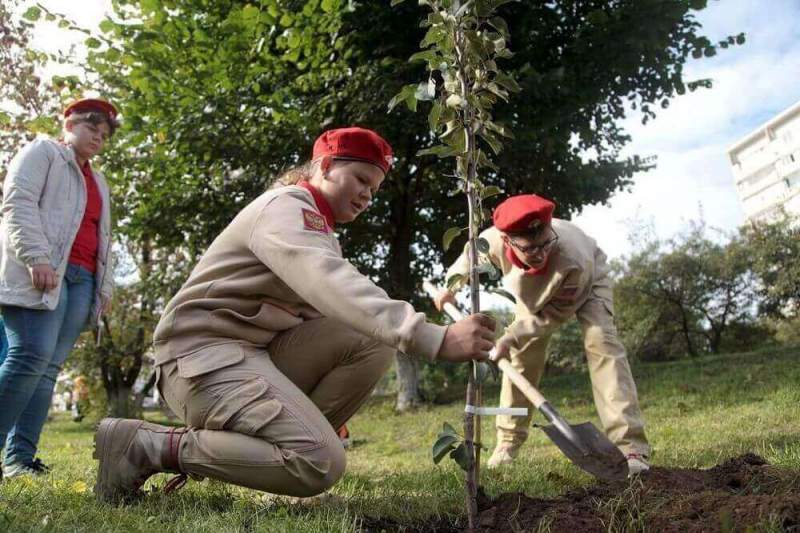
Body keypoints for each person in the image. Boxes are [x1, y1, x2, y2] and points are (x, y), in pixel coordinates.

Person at [94, 127, 496, 503]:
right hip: (200, 361)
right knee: (320, 462)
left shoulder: (319, 231)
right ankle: (144, 445)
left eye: (374, 189)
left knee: (370, 339)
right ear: (324, 166)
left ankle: (294, 438)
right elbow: (330, 281)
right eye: (359, 179)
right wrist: (434, 337)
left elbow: (332, 310)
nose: (367, 195)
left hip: (249, 356)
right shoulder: (285, 208)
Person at [435, 194, 651, 474]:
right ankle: (508, 443)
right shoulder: (493, 239)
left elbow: (551, 317)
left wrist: (511, 335)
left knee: (602, 345)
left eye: (545, 243)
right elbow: (471, 256)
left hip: (587, 283)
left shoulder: (572, 258)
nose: (540, 253)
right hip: (534, 292)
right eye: (530, 248)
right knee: (523, 357)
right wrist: (450, 287)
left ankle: (629, 446)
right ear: (508, 240)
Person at [0, 98, 117, 480]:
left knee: (48, 368)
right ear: (68, 123)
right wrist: (36, 257)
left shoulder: (98, 180)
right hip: (43, 271)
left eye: (104, 134)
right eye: (91, 128)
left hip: (82, 279)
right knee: (29, 357)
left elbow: (105, 238)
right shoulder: (43, 152)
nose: (98, 137)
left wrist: (105, 288)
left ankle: (20, 460)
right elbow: (18, 202)